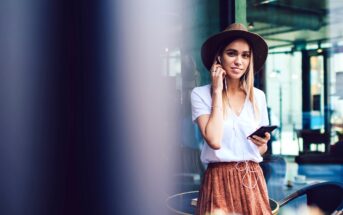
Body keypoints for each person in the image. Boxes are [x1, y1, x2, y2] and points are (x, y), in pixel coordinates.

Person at [191, 23, 272, 214]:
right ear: (219, 57)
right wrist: (217, 91)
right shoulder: (200, 94)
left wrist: (263, 142)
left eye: (245, 55)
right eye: (232, 53)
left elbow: (260, 150)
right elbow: (215, 141)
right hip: (219, 180)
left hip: (253, 180)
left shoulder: (258, 96)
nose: (239, 61)